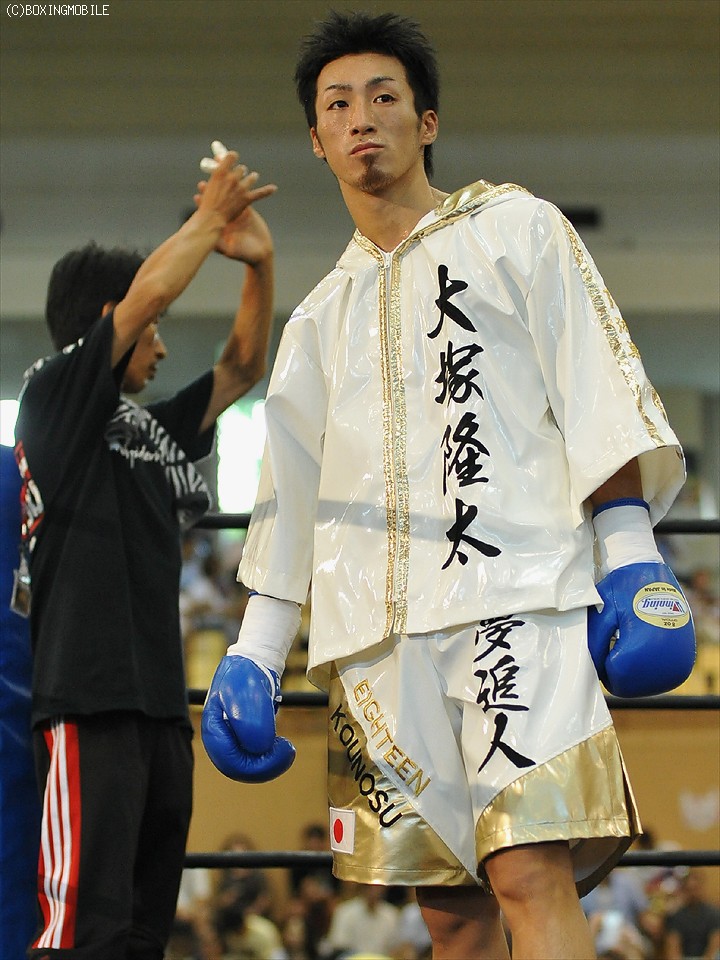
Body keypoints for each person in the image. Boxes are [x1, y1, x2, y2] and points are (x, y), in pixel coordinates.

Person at [201, 11, 696, 960]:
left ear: (426, 121)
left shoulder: (520, 231)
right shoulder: (316, 323)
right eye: (337, 106)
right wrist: (256, 653)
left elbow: (594, 387)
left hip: (517, 600)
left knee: (530, 869)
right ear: (316, 141)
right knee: (447, 914)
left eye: (383, 97)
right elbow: (289, 501)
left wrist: (631, 554)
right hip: (375, 639)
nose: (361, 119)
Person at [14, 144, 276, 959]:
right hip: (87, 702)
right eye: (151, 331)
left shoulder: (151, 431)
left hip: (160, 710)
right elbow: (151, 292)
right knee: (79, 933)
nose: (160, 349)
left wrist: (259, 265)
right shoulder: (52, 398)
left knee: (140, 933)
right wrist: (209, 215)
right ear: (113, 320)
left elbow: (242, 367)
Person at [663, 869, 720, 960]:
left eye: (695, 889)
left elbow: (715, 945)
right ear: (684, 890)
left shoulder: (714, 914)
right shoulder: (676, 916)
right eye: (689, 889)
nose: (693, 893)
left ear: (701, 888)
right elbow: (673, 947)